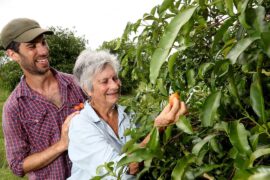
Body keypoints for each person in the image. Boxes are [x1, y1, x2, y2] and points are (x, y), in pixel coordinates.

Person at [68, 49, 188, 179]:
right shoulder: (81, 125)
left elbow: (149, 142)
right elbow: (122, 170)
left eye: (115, 78)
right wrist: (159, 127)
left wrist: (174, 118)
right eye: (105, 81)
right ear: (87, 89)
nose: (114, 85)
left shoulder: (129, 113)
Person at [1, 18, 86, 179]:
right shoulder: (14, 107)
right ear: (13, 55)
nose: (43, 51)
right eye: (32, 46)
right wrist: (61, 145)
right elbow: (18, 165)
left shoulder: (76, 84)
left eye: (43, 42)